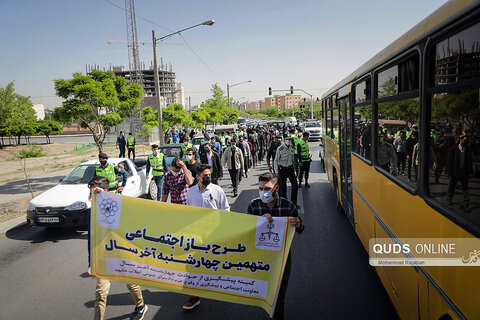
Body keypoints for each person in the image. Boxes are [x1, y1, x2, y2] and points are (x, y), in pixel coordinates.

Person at [87, 176, 148, 320]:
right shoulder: (92, 211)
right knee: (101, 294)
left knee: (132, 284)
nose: (91, 195)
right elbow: (91, 238)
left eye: (94, 191)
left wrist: (105, 198)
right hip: (103, 258)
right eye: (90, 192)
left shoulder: (117, 205)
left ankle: (140, 306)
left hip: (121, 255)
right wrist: (91, 262)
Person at [246, 173, 303, 320]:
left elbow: (300, 229)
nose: (263, 192)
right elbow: (245, 231)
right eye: (260, 188)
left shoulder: (288, 206)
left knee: (279, 295)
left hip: (281, 257)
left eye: (267, 188)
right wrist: (258, 222)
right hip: (260, 257)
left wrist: (299, 224)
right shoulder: (253, 205)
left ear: (276, 188)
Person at [184, 164, 230, 310]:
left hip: (215, 235)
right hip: (197, 236)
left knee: (215, 264)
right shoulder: (190, 192)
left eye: (209, 175)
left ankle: (220, 289)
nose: (208, 177)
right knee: (193, 266)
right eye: (205, 175)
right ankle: (194, 296)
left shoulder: (218, 190)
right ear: (197, 177)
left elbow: (226, 210)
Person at [447, 134, 473, 210]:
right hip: (455, 172)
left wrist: (470, 172)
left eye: (466, 141)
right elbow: (449, 161)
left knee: (465, 187)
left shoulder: (467, 150)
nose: (465, 142)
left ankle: (466, 201)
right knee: (452, 186)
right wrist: (448, 171)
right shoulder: (453, 149)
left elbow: (469, 162)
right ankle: (449, 198)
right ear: (460, 140)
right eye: (464, 140)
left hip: (463, 172)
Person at [274, 136, 298, 205]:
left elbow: (293, 158)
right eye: (287, 140)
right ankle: (285, 203)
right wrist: (276, 172)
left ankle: (293, 203)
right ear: (284, 140)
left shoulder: (292, 148)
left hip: (290, 168)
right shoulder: (280, 149)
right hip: (282, 169)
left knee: (295, 185)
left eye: (289, 140)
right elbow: (276, 161)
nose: (288, 141)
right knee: (283, 188)